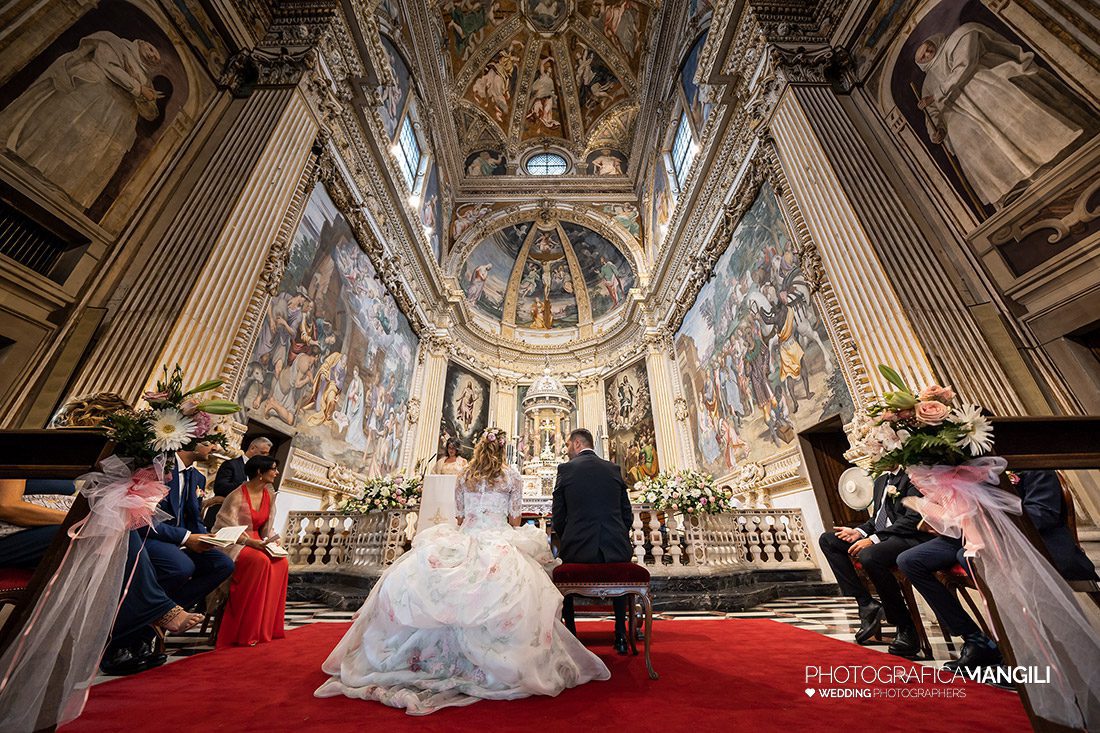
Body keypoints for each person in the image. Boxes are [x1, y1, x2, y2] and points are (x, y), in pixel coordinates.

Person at [315, 428, 608, 715]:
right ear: (503, 450)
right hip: (498, 538)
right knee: (518, 586)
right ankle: (496, 661)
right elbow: (515, 518)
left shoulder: (464, 476)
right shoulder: (511, 476)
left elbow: (459, 516)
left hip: (465, 535)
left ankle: (426, 659)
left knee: (435, 587)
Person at [897, 470, 1098, 672]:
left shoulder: (1037, 470)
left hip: (1032, 543)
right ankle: (975, 639)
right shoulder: (979, 470)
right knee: (910, 560)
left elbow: (1043, 514)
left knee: (969, 556)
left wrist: (989, 524)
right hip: (970, 534)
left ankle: (1021, 650)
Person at [818, 468, 932, 658]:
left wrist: (874, 539)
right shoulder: (880, 481)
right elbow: (877, 518)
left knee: (870, 556)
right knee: (828, 540)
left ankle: (905, 627)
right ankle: (866, 603)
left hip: (908, 538)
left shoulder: (913, 477)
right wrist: (860, 532)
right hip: (883, 538)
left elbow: (913, 520)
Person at [552, 428, 634, 655]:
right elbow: (626, 514)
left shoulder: (566, 470)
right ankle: (620, 635)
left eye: (568, 445)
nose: (567, 450)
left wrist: (566, 539)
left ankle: (573, 638)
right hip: (615, 549)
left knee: (562, 575)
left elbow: (558, 516)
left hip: (578, 550)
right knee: (617, 572)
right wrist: (616, 535)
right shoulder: (613, 469)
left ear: (577, 444)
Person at [140, 440, 235, 613]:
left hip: (184, 537)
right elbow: (143, 518)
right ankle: (147, 612)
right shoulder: (160, 468)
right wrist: (186, 538)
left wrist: (206, 538)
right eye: (209, 442)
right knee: (182, 567)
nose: (215, 448)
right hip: (154, 534)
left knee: (223, 564)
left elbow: (194, 516)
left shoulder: (198, 477)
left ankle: (168, 611)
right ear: (191, 442)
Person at [211, 455, 288, 648]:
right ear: (259, 472)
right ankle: (243, 630)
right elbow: (223, 528)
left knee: (282, 562)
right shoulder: (236, 495)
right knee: (259, 561)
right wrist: (249, 542)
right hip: (234, 543)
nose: (276, 472)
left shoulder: (268, 495)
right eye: (273, 468)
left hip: (258, 542)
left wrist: (273, 541)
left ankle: (266, 628)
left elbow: (266, 528)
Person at [206, 437, 273, 527]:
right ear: (252, 448)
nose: (264, 457)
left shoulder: (261, 472)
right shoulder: (231, 465)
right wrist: (247, 485)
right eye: (262, 453)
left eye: (266, 454)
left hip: (244, 522)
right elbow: (220, 488)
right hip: (222, 517)